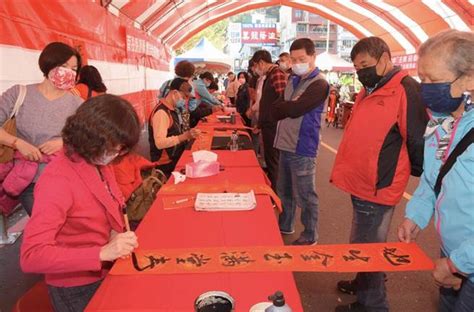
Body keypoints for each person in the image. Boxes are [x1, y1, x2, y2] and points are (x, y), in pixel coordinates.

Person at [330, 37, 428, 312]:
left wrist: (416, 172)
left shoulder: (406, 90)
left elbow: (417, 138)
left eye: (365, 64)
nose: (360, 71)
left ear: (384, 58)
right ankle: (363, 282)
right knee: (362, 239)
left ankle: (372, 303)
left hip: (379, 183)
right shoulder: (372, 87)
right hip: (360, 180)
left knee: (369, 244)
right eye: (356, 66)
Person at [20, 94, 140, 311]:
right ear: (91, 137)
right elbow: (31, 256)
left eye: (121, 149)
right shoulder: (58, 181)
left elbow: (110, 203)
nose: (116, 154)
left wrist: (115, 232)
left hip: (106, 270)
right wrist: (101, 252)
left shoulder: (97, 160)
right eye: (114, 148)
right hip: (76, 286)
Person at [398, 30, 474, 312]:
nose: (425, 88)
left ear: (469, 79)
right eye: (422, 79)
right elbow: (432, 180)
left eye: (434, 80)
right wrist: (415, 216)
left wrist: (457, 265)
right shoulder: (441, 123)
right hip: (454, 253)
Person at [0, 41, 83, 216]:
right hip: (28, 180)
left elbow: (88, 137)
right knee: (44, 222)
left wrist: (63, 141)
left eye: (74, 68)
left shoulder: (77, 103)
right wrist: (17, 143)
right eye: (64, 65)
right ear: (48, 64)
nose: (69, 72)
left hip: (66, 178)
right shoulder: (19, 94)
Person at [273, 38, 329, 245]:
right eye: (294, 59)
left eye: (302, 59)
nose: (297, 63)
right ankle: (286, 224)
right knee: (284, 190)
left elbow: (295, 110)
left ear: (313, 56)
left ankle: (310, 235)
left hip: (303, 146)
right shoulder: (293, 80)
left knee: (306, 195)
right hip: (285, 143)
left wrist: (288, 106)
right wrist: (288, 106)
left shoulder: (319, 83)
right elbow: (277, 106)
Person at [250, 49, 287, 190]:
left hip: (274, 125)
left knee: (273, 161)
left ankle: (276, 193)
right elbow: (266, 103)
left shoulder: (276, 73)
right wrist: (260, 124)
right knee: (270, 159)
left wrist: (269, 118)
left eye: (255, 65)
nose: (255, 69)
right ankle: (274, 189)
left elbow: (282, 99)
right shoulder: (268, 76)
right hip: (268, 124)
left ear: (261, 62)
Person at [149, 78, 201, 177]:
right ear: (175, 93)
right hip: (166, 163)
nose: (185, 101)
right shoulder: (161, 113)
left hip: (175, 156)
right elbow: (160, 143)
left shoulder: (172, 110)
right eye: (184, 97)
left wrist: (189, 134)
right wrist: (184, 136)